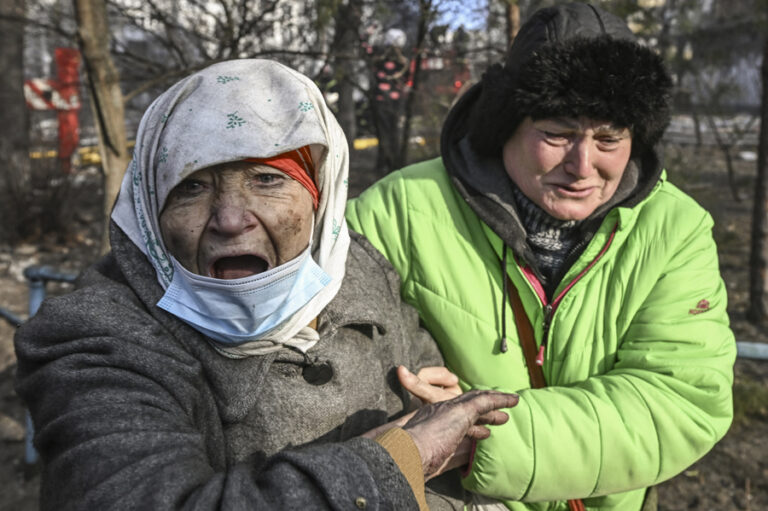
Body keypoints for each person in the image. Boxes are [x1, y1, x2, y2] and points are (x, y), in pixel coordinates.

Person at [14, 59, 519, 511]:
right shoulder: (96, 338)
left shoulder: (356, 267)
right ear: (151, 210)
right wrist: (396, 462)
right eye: (192, 187)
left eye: (266, 179)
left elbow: (429, 390)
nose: (230, 219)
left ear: (319, 196)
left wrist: (441, 409)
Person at [346, 3, 736, 511]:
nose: (582, 165)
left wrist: (474, 429)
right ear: (504, 122)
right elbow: (331, 354)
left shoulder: (676, 231)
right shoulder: (397, 211)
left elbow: (680, 400)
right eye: (557, 133)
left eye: (609, 138)